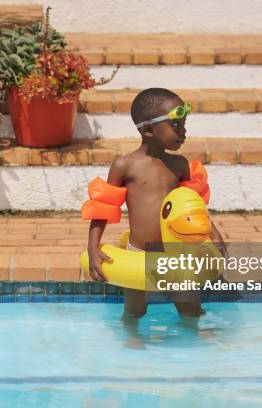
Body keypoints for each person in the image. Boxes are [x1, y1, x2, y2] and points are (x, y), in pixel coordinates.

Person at [83, 87, 226, 330]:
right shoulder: (125, 166)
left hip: (175, 251)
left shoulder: (179, 164)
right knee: (136, 309)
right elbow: (103, 207)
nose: (183, 131)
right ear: (148, 129)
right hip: (139, 251)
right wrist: (93, 247)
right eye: (176, 125)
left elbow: (193, 205)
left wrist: (213, 232)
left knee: (190, 306)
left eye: (184, 124)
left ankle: (196, 343)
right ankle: (131, 340)